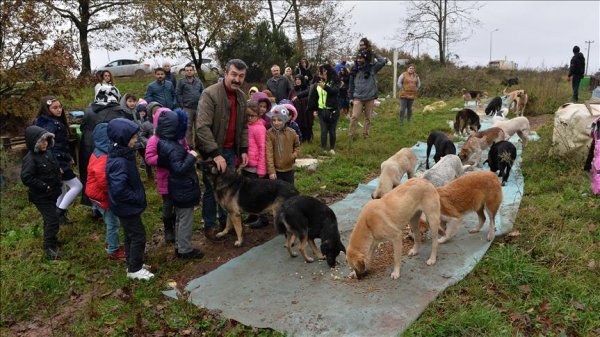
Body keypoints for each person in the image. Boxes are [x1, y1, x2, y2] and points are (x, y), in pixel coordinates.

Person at [196, 59, 249, 241]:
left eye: (241, 76)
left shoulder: (242, 97)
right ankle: (209, 225)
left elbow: (243, 127)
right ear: (225, 73)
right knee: (212, 190)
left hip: (230, 151)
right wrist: (215, 154)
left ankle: (226, 223)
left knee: (230, 190)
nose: (237, 79)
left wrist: (243, 149)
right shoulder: (209, 94)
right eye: (234, 74)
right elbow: (202, 127)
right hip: (211, 153)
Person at [106, 118, 154, 280]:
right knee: (138, 236)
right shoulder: (119, 161)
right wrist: (136, 197)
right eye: (133, 138)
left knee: (129, 235)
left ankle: (132, 262)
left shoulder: (124, 154)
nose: (135, 140)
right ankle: (134, 269)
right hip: (127, 206)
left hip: (125, 206)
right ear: (122, 139)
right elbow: (118, 189)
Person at [156, 109, 204, 259]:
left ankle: (179, 245)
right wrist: (191, 156)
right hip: (183, 188)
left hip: (177, 187)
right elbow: (179, 168)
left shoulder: (164, 143)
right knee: (185, 219)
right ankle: (185, 250)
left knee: (180, 218)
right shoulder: (174, 148)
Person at [35, 96, 82, 225]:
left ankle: (59, 218)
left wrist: (68, 157)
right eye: (55, 107)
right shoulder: (49, 124)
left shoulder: (54, 121)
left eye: (60, 106)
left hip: (60, 159)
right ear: (47, 109)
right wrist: (56, 165)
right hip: (56, 161)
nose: (59, 109)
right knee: (77, 186)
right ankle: (59, 212)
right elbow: (49, 147)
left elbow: (60, 144)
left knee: (62, 189)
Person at [79, 85, 127, 209]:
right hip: (107, 148)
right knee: (107, 176)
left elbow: (82, 127)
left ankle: (94, 205)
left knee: (91, 175)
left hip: (88, 146)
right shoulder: (117, 111)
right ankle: (110, 205)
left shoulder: (89, 110)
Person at [21, 125, 63, 259]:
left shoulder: (47, 153)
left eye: (46, 140)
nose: (45, 143)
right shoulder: (30, 158)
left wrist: (58, 171)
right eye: (42, 141)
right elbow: (26, 178)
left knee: (50, 218)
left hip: (52, 193)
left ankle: (51, 239)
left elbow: (53, 165)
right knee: (53, 220)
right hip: (41, 196)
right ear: (34, 142)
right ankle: (49, 247)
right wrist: (44, 186)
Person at [85, 123, 125, 259]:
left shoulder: (99, 151)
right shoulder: (103, 158)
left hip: (98, 194)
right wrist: (116, 193)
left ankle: (110, 243)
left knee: (112, 221)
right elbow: (104, 182)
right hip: (102, 196)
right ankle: (113, 250)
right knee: (113, 223)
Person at [145, 107, 179, 244]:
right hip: (165, 179)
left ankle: (177, 227)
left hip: (178, 177)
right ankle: (168, 229)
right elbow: (149, 157)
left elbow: (186, 148)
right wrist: (162, 159)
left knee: (178, 204)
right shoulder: (154, 139)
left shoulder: (178, 137)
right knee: (167, 204)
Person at [348, 48, 386, 139]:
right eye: (358, 58)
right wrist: (350, 97)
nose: (359, 60)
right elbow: (351, 84)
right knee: (354, 117)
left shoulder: (372, 68)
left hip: (370, 97)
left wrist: (374, 53)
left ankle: (366, 135)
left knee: (368, 118)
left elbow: (382, 62)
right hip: (358, 98)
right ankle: (351, 135)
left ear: (365, 59)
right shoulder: (354, 70)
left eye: (361, 58)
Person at [242, 101, 269, 228]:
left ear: (258, 115)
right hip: (246, 165)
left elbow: (263, 149)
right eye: (247, 116)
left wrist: (262, 170)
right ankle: (252, 214)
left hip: (256, 168)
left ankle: (263, 217)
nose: (249, 118)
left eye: (252, 116)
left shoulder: (260, 128)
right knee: (248, 193)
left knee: (258, 194)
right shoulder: (246, 127)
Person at [308, 63, 340, 154]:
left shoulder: (335, 81)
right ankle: (323, 149)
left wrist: (325, 87)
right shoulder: (317, 82)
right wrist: (314, 109)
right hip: (321, 110)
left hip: (333, 110)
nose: (321, 73)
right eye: (320, 72)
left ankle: (332, 149)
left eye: (323, 71)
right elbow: (313, 96)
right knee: (323, 130)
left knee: (332, 130)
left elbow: (335, 91)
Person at [266, 105, 300, 185]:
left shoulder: (292, 133)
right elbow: (269, 153)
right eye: (274, 120)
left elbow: (297, 146)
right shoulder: (269, 133)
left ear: (285, 120)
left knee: (290, 190)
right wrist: (271, 171)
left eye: (279, 120)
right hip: (276, 171)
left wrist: (293, 155)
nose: (276, 123)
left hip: (289, 168)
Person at [176, 64, 204, 147]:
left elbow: (203, 92)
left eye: (190, 70)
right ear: (185, 71)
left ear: (193, 71)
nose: (189, 72)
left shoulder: (198, 81)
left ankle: (199, 145)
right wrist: (182, 105)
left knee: (198, 127)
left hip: (198, 108)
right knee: (188, 128)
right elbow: (178, 93)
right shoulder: (181, 81)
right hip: (187, 108)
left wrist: (202, 103)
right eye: (187, 70)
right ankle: (189, 146)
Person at [291, 74, 313, 142]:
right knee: (299, 123)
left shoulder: (307, 88)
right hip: (297, 111)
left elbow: (309, 94)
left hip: (306, 111)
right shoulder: (293, 90)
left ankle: (308, 138)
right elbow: (290, 99)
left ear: (302, 80)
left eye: (299, 79)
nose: (297, 81)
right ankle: (299, 138)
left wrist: (298, 96)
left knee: (307, 123)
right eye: (296, 79)